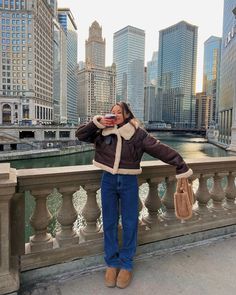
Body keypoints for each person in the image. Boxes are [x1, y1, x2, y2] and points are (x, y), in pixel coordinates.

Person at [76, 101, 193, 289]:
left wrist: (180, 164)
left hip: (129, 181)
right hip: (108, 180)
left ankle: (127, 264)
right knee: (109, 222)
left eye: (119, 112)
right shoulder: (102, 131)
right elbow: (81, 135)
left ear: (127, 115)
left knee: (130, 223)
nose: (114, 115)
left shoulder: (138, 134)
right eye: (112, 112)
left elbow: (159, 148)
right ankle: (112, 263)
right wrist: (98, 122)